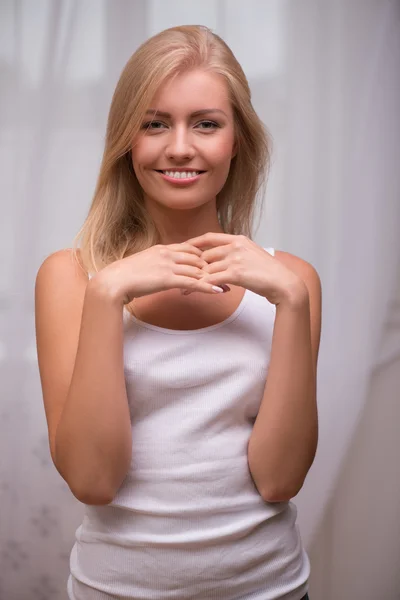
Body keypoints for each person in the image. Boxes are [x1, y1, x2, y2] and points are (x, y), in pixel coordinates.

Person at [35, 24, 321, 600]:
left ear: (237, 139)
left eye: (207, 123)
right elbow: (93, 481)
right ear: (126, 140)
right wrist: (107, 296)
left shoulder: (293, 281)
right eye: (154, 123)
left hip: (272, 590)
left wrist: (291, 302)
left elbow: (279, 479)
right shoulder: (72, 279)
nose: (180, 147)